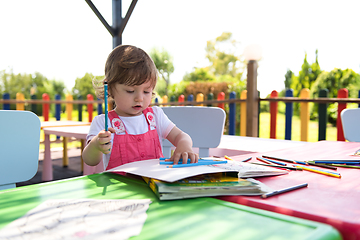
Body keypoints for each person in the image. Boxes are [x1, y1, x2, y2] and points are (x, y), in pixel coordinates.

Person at [82, 45, 199, 170]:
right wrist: (96, 145)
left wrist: (184, 145)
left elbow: (180, 136)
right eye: (130, 91)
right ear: (110, 89)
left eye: (146, 91)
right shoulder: (104, 122)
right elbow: (90, 160)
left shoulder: (155, 117)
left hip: (154, 185)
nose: (139, 98)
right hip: (120, 187)